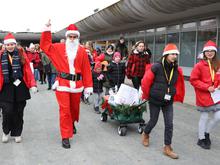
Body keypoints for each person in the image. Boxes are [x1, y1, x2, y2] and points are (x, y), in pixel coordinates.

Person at [40, 20, 93, 149]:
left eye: (75, 37)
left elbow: (86, 70)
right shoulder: (58, 48)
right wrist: (47, 29)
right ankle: (65, 136)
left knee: (74, 109)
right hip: (63, 84)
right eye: (70, 36)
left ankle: (72, 123)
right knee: (65, 111)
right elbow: (45, 45)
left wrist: (88, 86)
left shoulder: (82, 52)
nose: (73, 39)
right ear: (67, 37)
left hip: (77, 84)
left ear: (78, 38)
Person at [141, 43, 185, 159]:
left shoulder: (176, 68)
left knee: (169, 124)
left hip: (168, 101)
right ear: (166, 55)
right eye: (172, 54)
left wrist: (174, 93)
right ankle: (146, 133)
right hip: (155, 99)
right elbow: (145, 82)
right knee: (153, 121)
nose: (174, 56)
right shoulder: (156, 66)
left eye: (176, 54)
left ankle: (167, 146)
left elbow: (176, 84)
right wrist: (148, 95)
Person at [0, 33, 37, 143]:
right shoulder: (1, 56)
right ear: (5, 46)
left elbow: (28, 71)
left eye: (12, 44)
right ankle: (6, 131)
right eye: (8, 45)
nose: (10, 46)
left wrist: (33, 84)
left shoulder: (21, 54)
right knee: (7, 111)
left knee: (18, 111)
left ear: (15, 45)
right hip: (5, 87)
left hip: (20, 86)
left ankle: (17, 133)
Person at [190, 40, 220, 150]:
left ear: (215, 52)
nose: (210, 52)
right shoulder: (199, 65)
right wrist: (207, 87)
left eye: (212, 51)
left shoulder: (218, 64)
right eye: (207, 51)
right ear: (204, 52)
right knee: (204, 117)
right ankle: (201, 138)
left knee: (218, 116)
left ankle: (207, 133)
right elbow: (193, 80)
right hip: (203, 95)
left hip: (216, 95)